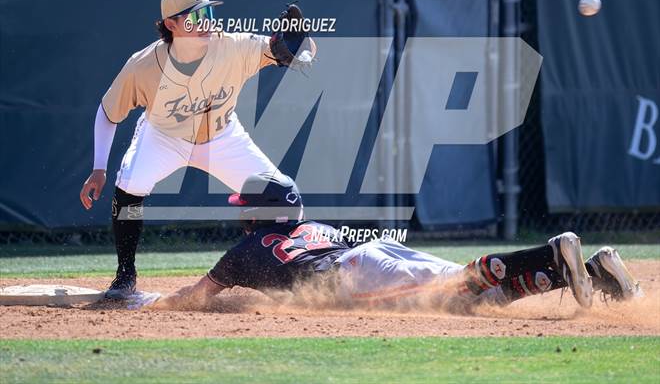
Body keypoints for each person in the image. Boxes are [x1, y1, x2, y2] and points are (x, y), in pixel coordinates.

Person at [79, 0, 315, 299]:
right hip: (164, 137)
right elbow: (108, 113)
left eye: (207, 13)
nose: (205, 22)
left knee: (285, 199)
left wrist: (296, 45)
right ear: (170, 25)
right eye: (194, 17)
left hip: (221, 136)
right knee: (130, 186)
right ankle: (125, 276)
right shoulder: (143, 65)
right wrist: (99, 168)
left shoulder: (233, 46)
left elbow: (289, 49)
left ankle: (287, 276)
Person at [148, 173, 642, 312]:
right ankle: (590, 273)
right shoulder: (316, 228)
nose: (242, 215)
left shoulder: (243, 253)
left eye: (246, 208)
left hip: (354, 275)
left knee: (456, 287)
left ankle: (550, 251)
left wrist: (151, 305)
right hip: (371, 251)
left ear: (261, 213)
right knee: (472, 298)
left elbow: (195, 297)